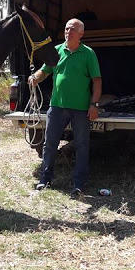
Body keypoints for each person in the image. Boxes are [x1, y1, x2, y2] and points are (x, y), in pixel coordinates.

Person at [28, 18, 102, 198]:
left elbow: (97, 81)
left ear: (81, 34)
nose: (68, 31)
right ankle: (45, 179)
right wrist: (35, 78)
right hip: (57, 107)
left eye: (72, 29)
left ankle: (79, 183)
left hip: (80, 109)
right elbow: (45, 70)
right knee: (50, 144)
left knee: (82, 145)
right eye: (67, 28)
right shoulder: (57, 51)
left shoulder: (88, 54)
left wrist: (94, 105)